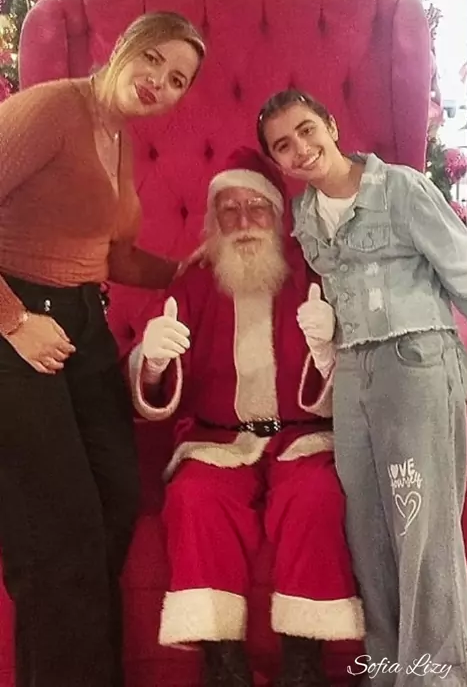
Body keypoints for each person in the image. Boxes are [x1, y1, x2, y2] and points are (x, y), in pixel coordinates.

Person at [0, 11, 205, 687]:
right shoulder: (53, 109)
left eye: (177, 80)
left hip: (83, 325)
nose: (159, 82)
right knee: (56, 535)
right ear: (123, 46)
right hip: (18, 325)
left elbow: (110, 255)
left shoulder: (115, 138)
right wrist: (13, 320)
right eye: (154, 60)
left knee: (115, 499)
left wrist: (185, 271)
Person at [256, 87, 467, 687]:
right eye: (283, 145)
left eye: (306, 129)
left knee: (422, 529)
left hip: (417, 362)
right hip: (354, 375)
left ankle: (439, 679)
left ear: (330, 125)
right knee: (370, 532)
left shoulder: (400, 189)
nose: (300, 148)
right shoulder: (305, 218)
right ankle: (387, 672)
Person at [128, 148, 364, 687]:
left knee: (318, 496)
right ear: (215, 220)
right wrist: (154, 361)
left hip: (302, 439)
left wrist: (330, 352)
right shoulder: (195, 281)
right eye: (229, 210)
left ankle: (303, 664)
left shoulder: (313, 273)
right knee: (193, 497)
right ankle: (224, 665)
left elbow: (359, 371)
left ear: (277, 215)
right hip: (216, 442)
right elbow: (155, 372)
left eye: (256, 207)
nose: (243, 221)